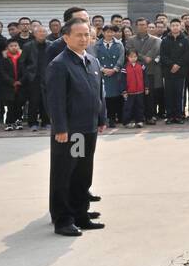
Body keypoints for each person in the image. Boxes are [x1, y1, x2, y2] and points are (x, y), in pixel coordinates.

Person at [45, 18, 107, 237]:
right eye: (78, 35)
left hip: (88, 128)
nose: (83, 39)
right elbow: (55, 100)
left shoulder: (92, 61)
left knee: (83, 172)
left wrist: (101, 118)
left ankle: (81, 213)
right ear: (66, 37)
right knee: (66, 174)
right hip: (71, 131)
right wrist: (60, 128)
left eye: (86, 35)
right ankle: (63, 219)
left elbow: (99, 94)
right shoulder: (60, 64)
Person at [126, 19, 162, 126]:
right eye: (139, 25)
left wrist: (145, 56)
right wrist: (144, 57)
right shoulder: (131, 40)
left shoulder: (156, 40)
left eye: (144, 25)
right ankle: (137, 117)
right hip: (135, 72)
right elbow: (130, 52)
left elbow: (155, 51)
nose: (142, 26)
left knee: (150, 96)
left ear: (147, 26)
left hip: (150, 71)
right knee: (136, 97)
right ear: (136, 26)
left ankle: (150, 116)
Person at [159, 18, 189, 124]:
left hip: (181, 72)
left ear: (180, 26)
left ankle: (179, 116)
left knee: (179, 94)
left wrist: (178, 65)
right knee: (169, 94)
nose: (175, 27)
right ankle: (169, 116)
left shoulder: (185, 40)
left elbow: (187, 55)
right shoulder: (165, 40)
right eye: (173, 25)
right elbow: (163, 56)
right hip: (168, 72)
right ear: (170, 26)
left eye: (177, 25)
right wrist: (172, 65)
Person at [96, 25, 125, 127]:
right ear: (103, 33)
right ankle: (105, 119)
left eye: (111, 32)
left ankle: (113, 118)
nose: (109, 34)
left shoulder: (119, 44)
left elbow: (121, 58)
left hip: (115, 74)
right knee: (104, 97)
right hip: (103, 74)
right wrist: (103, 69)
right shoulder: (97, 45)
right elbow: (95, 58)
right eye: (107, 32)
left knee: (115, 97)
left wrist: (115, 69)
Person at [0, 38, 27, 130]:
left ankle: (18, 121)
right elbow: (2, 72)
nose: (14, 48)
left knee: (19, 105)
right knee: (10, 105)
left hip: (21, 85)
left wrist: (21, 81)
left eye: (15, 46)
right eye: (11, 46)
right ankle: (9, 122)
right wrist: (11, 81)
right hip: (8, 86)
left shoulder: (23, 57)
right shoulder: (4, 58)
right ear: (7, 48)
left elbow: (26, 70)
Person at [122, 48, 148, 127]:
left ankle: (139, 121)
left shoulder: (141, 65)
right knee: (128, 107)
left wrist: (146, 87)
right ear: (127, 57)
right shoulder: (125, 67)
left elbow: (145, 77)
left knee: (140, 107)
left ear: (137, 57)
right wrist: (124, 91)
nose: (133, 58)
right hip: (129, 92)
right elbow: (122, 80)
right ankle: (127, 122)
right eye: (131, 57)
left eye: (135, 56)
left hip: (140, 91)